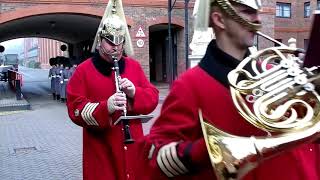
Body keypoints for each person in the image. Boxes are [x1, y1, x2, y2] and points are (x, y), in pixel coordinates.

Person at [139, 0, 320, 179]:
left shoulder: (272, 70)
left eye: (257, 12)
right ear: (219, 19)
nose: (258, 20)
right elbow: (157, 154)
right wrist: (212, 149)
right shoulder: (189, 85)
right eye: (247, 11)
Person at [66, 0, 159, 179]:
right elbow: (75, 109)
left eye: (119, 42)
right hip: (101, 152)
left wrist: (134, 93)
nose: (115, 47)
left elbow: (153, 98)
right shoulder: (83, 71)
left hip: (133, 150)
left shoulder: (134, 66)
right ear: (100, 40)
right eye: (110, 42)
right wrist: (105, 107)